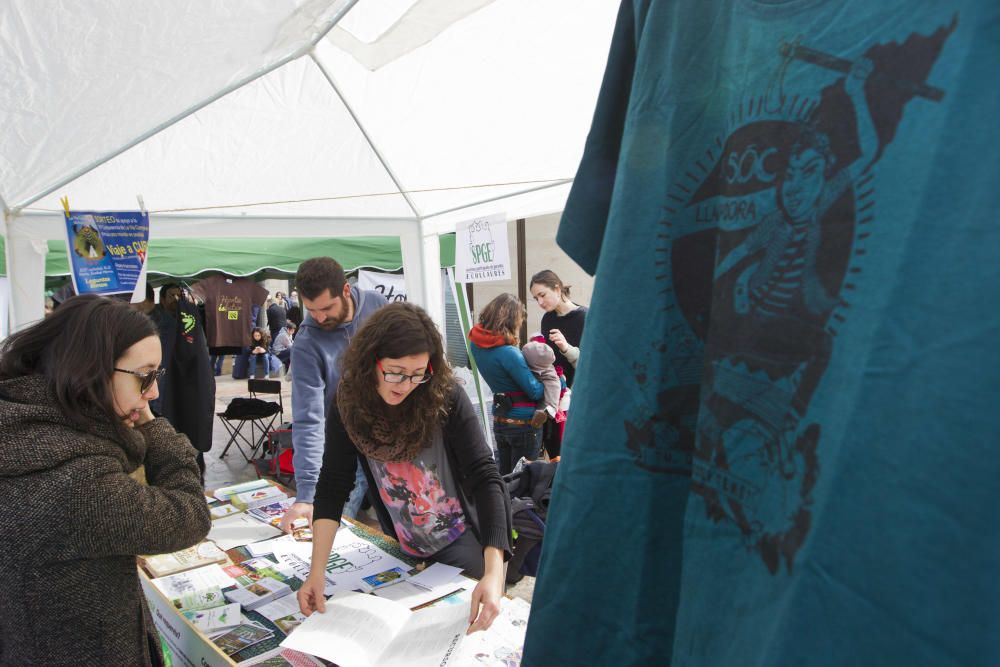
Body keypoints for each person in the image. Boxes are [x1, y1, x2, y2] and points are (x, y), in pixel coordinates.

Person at [0, 294, 211, 665]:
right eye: (145, 377)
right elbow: (191, 515)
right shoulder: (80, 485)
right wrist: (152, 424)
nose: (154, 393)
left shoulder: (24, 429)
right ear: (90, 369)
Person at [297, 303, 509, 634]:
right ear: (371, 362)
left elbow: (486, 476)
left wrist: (494, 571)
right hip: (404, 546)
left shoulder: (444, 395)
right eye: (395, 372)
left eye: (417, 373)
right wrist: (317, 571)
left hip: (464, 541)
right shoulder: (348, 403)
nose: (406, 384)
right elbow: (333, 484)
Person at [280, 257, 387, 533]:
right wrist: (306, 493)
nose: (319, 317)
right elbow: (308, 418)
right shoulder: (306, 343)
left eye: (327, 308)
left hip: (390, 439)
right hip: (344, 445)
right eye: (311, 310)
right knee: (328, 529)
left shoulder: (377, 306)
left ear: (346, 291)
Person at [468, 293, 544, 476]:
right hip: (524, 424)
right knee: (524, 482)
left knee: (505, 479)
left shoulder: (475, 344)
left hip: (501, 421)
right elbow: (534, 391)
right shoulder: (509, 353)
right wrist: (554, 380)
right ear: (511, 321)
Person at [529, 270, 588, 389]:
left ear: (557, 289)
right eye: (536, 298)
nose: (540, 302)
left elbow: (592, 366)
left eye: (542, 295)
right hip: (554, 393)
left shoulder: (585, 317)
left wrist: (566, 348)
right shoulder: (547, 319)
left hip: (578, 394)